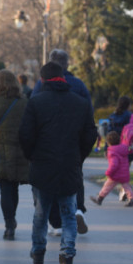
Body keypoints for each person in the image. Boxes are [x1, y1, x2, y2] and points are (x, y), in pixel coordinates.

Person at [19, 62, 97, 264]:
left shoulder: (36, 103)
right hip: (69, 165)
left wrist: (32, 155)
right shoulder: (80, 103)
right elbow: (90, 134)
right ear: (62, 77)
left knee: (41, 214)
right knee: (69, 214)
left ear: (43, 80)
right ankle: (66, 255)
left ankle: (38, 252)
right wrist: (79, 156)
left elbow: (25, 135)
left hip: (42, 164)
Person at [32, 49, 91, 235]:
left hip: (47, 143)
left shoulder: (40, 85)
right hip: (73, 142)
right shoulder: (78, 85)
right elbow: (89, 116)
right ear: (67, 64)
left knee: (49, 183)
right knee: (74, 177)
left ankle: (55, 223)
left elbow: (31, 112)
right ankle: (77, 209)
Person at [0, 70, 29, 241]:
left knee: (5, 188)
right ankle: (11, 219)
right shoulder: (24, 103)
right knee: (14, 187)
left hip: (0, 151)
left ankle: (9, 224)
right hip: (20, 151)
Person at [90, 131, 133, 207]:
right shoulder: (124, 148)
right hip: (124, 173)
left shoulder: (112, 151)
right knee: (127, 187)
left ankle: (99, 198)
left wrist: (108, 172)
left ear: (108, 143)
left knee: (107, 186)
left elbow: (114, 164)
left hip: (115, 174)